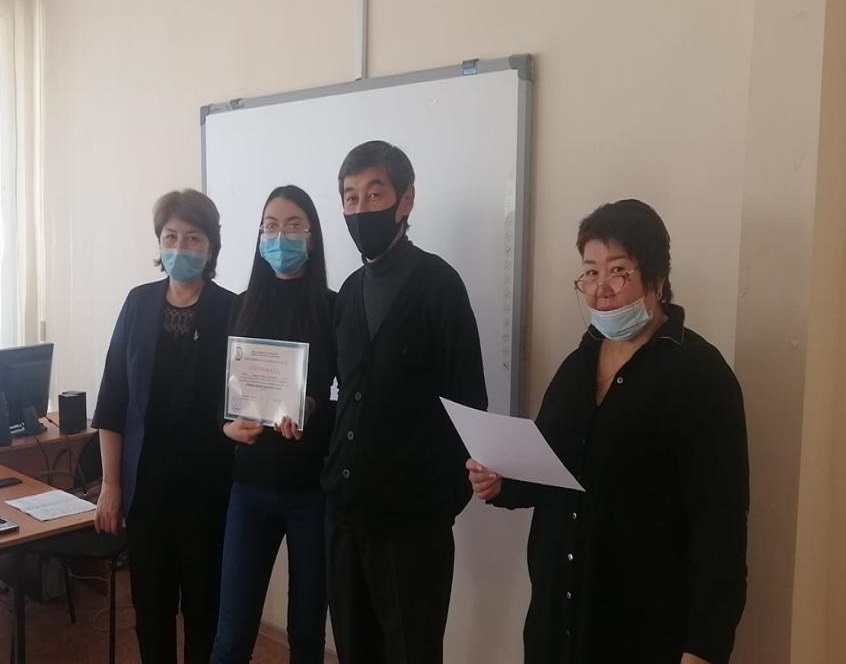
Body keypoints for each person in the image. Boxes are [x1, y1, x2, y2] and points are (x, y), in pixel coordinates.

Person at [467, 199, 749, 664]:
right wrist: (500, 482)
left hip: (642, 626)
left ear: (656, 277)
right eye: (589, 272)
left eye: (618, 271)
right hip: (558, 622)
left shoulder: (701, 375)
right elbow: (551, 469)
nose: (600, 290)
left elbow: (720, 523)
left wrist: (704, 647)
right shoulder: (577, 366)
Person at [321, 140, 489, 664]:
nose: (360, 209)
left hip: (412, 525)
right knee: (354, 648)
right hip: (346, 514)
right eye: (350, 197)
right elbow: (348, 396)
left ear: (406, 200)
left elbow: (469, 403)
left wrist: (439, 505)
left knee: (412, 652)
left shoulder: (440, 286)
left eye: (375, 194)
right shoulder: (348, 292)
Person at [91, 188, 236, 663]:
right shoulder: (138, 304)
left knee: (204, 612)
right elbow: (113, 400)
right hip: (146, 494)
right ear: (159, 242)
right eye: (171, 236)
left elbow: (245, 397)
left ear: (211, 248)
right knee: (151, 611)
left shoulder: (232, 310)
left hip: (208, 495)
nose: (180, 247)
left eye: (193, 238)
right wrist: (111, 485)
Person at [210, 185, 336, 664]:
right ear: (259, 237)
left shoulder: (334, 307)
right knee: (232, 632)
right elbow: (219, 393)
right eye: (270, 226)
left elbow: (349, 399)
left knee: (306, 634)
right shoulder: (241, 304)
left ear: (312, 236)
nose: (280, 236)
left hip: (312, 492)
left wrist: (311, 408)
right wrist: (226, 427)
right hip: (249, 488)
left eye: (293, 225)